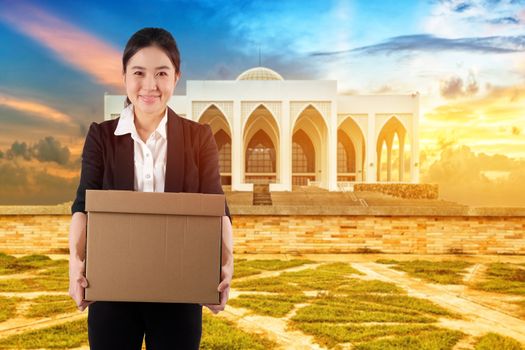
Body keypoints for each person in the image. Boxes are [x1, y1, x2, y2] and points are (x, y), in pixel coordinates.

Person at [68, 27, 234, 349]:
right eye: (139, 73)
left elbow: (217, 209)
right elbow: (83, 207)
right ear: (124, 76)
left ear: (176, 77)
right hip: (112, 290)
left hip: (180, 291)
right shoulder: (101, 137)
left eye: (162, 73)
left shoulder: (199, 137)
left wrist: (226, 265)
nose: (150, 85)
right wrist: (76, 263)